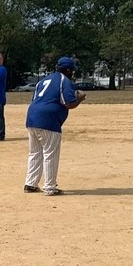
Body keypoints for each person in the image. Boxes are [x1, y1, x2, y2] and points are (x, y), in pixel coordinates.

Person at [24, 56, 86, 196]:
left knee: (35, 152)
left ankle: (30, 184)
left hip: (32, 117)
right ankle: (50, 187)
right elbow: (69, 103)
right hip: (48, 120)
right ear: (68, 70)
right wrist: (80, 98)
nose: (73, 73)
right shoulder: (65, 81)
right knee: (50, 154)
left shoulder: (43, 80)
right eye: (72, 70)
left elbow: (36, 99)